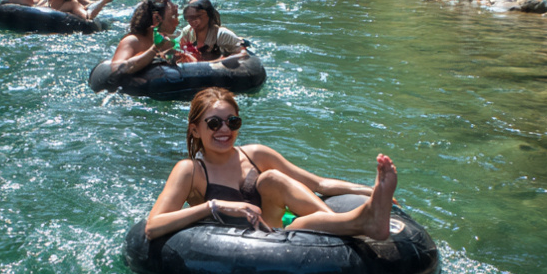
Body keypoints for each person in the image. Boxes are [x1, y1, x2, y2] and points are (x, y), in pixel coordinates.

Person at [145, 88, 398, 241]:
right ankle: (358, 222)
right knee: (298, 223)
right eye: (214, 123)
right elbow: (153, 226)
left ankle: (350, 222)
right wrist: (215, 205)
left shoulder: (257, 154)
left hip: (276, 236)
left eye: (232, 122)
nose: (224, 130)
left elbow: (319, 184)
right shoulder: (190, 171)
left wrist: (369, 190)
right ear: (195, 130)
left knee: (271, 179)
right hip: (235, 249)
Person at [110, 0, 189, 76]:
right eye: (173, 16)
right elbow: (116, 69)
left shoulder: (166, 42)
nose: (177, 22)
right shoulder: (132, 41)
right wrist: (154, 50)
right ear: (156, 18)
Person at [180, 0, 249, 63]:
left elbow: (243, 54)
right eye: (189, 17)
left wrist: (218, 61)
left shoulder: (222, 35)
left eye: (198, 16)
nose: (193, 21)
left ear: (208, 15)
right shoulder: (187, 32)